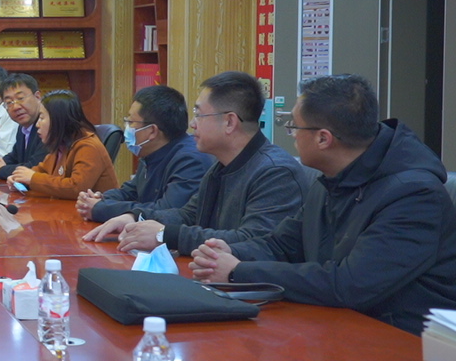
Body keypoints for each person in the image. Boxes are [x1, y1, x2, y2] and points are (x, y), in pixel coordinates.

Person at [190, 75, 456, 335]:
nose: (292, 136)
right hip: (336, 324)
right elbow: (282, 245)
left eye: (294, 127)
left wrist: (238, 272)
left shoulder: (414, 195)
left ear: (323, 139)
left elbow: (351, 284)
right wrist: (228, 253)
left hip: (402, 341)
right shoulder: (331, 179)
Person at [84, 71, 308, 254]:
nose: (192, 124)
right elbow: (188, 215)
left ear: (229, 122)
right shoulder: (221, 166)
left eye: (199, 115)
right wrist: (135, 218)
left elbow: (252, 241)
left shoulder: (276, 172)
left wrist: (165, 235)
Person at [77, 85, 213, 223]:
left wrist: (102, 209)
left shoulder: (190, 160)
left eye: (131, 122)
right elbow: (130, 192)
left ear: (152, 131)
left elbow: (165, 212)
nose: (127, 128)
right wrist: (101, 199)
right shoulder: (151, 152)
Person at [7, 90, 118, 198]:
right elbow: (43, 170)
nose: (37, 124)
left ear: (58, 120)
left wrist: (32, 178)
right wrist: (20, 178)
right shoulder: (61, 144)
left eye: (41, 118)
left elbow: (76, 187)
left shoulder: (88, 146)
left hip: (95, 210)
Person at [0, 73, 47, 180]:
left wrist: (0, 170)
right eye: (9, 102)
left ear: (37, 97)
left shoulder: (48, 126)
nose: (16, 107)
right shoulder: (23, 127)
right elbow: (14, 157)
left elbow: (35, 167)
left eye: (21, 98)